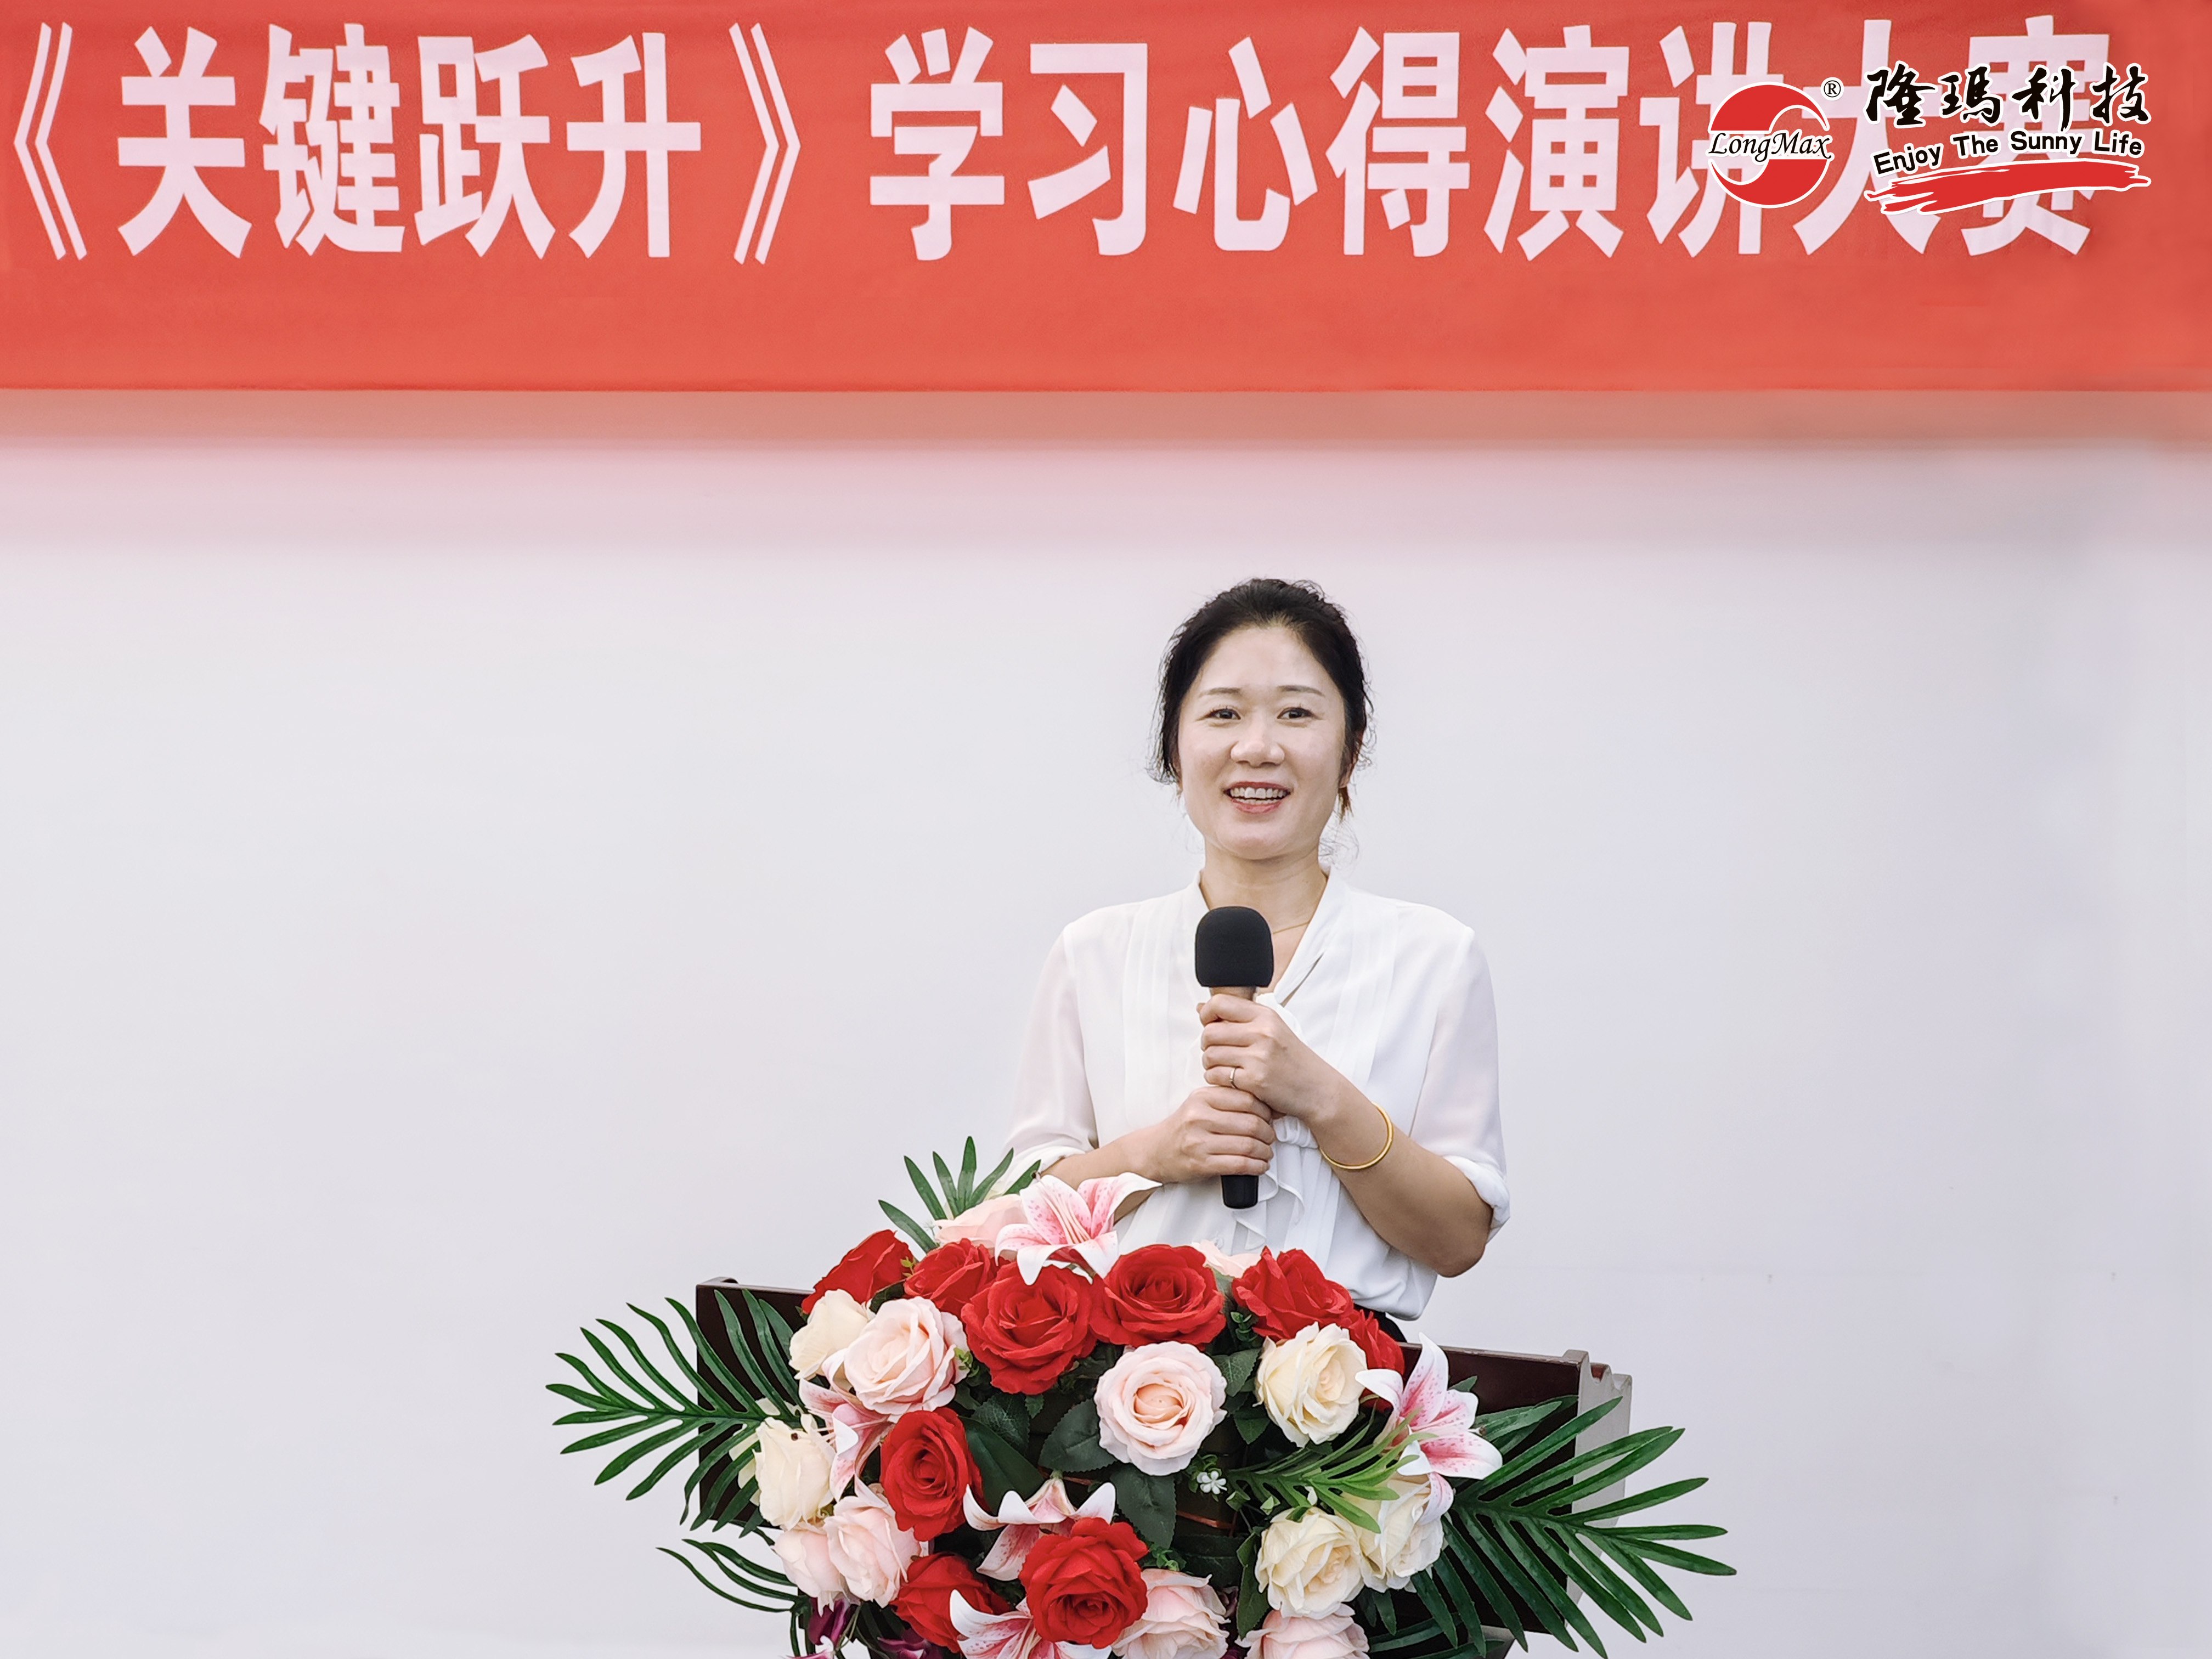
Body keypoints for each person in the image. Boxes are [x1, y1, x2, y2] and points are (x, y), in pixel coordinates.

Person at [1006, 579, 1509, 1323]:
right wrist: (1155, 1154)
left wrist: (1323, 1098)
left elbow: (1458, 1240)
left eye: (1297, 713)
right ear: (1175, 748)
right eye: (1223, 713)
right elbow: (1017, 1215)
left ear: (1350, 751)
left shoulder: (1435, 958)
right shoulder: (1094, 954)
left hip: (1348, 1385)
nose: (1257, 747)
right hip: (1130, 1374)